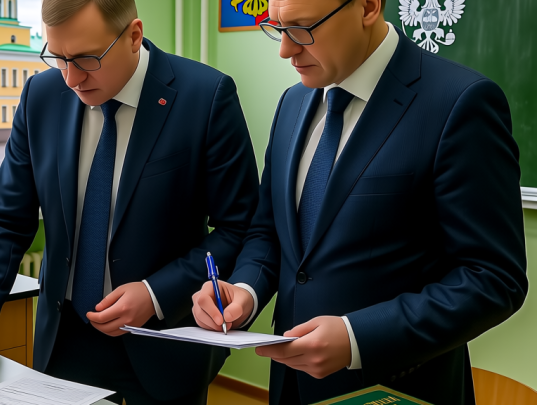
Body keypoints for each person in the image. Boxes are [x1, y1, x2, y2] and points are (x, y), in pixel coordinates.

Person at [0, 0, 259, 403]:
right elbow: (6, 220)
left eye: (86, 59)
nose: (72, 78)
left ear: (134, 35)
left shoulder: (206, 96)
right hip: (64, 339)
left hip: (166, 343)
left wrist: (155, 293)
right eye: (58, 58)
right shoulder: (41, 95)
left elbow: (239, 227)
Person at [191, 0, 528, 403]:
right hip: (290, 386)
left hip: (396, 387)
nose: (285, 49)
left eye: (303, 29)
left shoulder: (459, 102)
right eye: (277, 28)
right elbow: (269, 232)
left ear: (368, 6)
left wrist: (357, 338)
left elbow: (494, 278)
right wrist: (244, 289)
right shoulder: (292, 103)